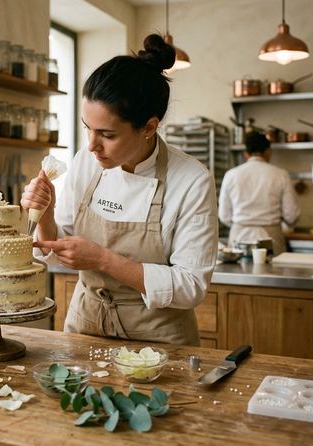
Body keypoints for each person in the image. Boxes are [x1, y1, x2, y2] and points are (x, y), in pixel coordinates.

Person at [20, 34, 218, 346]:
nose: (92, 146)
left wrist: (103, 259)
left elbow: (190, 286)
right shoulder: (86, 161)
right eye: (88, 128)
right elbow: (56, 251)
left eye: (107, 134)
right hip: (85, 326)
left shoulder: (191, 179)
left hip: (158, 340)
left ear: (149, 127)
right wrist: (45, 215)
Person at [218, 131, 300, 256]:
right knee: (271, 274)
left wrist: (242, 222)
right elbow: (291, 215)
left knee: (238, 274)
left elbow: (224, 216)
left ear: (246, 153)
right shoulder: (281, 174)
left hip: (239, 238)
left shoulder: (231, 175)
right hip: (270, 238)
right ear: (268, 151)